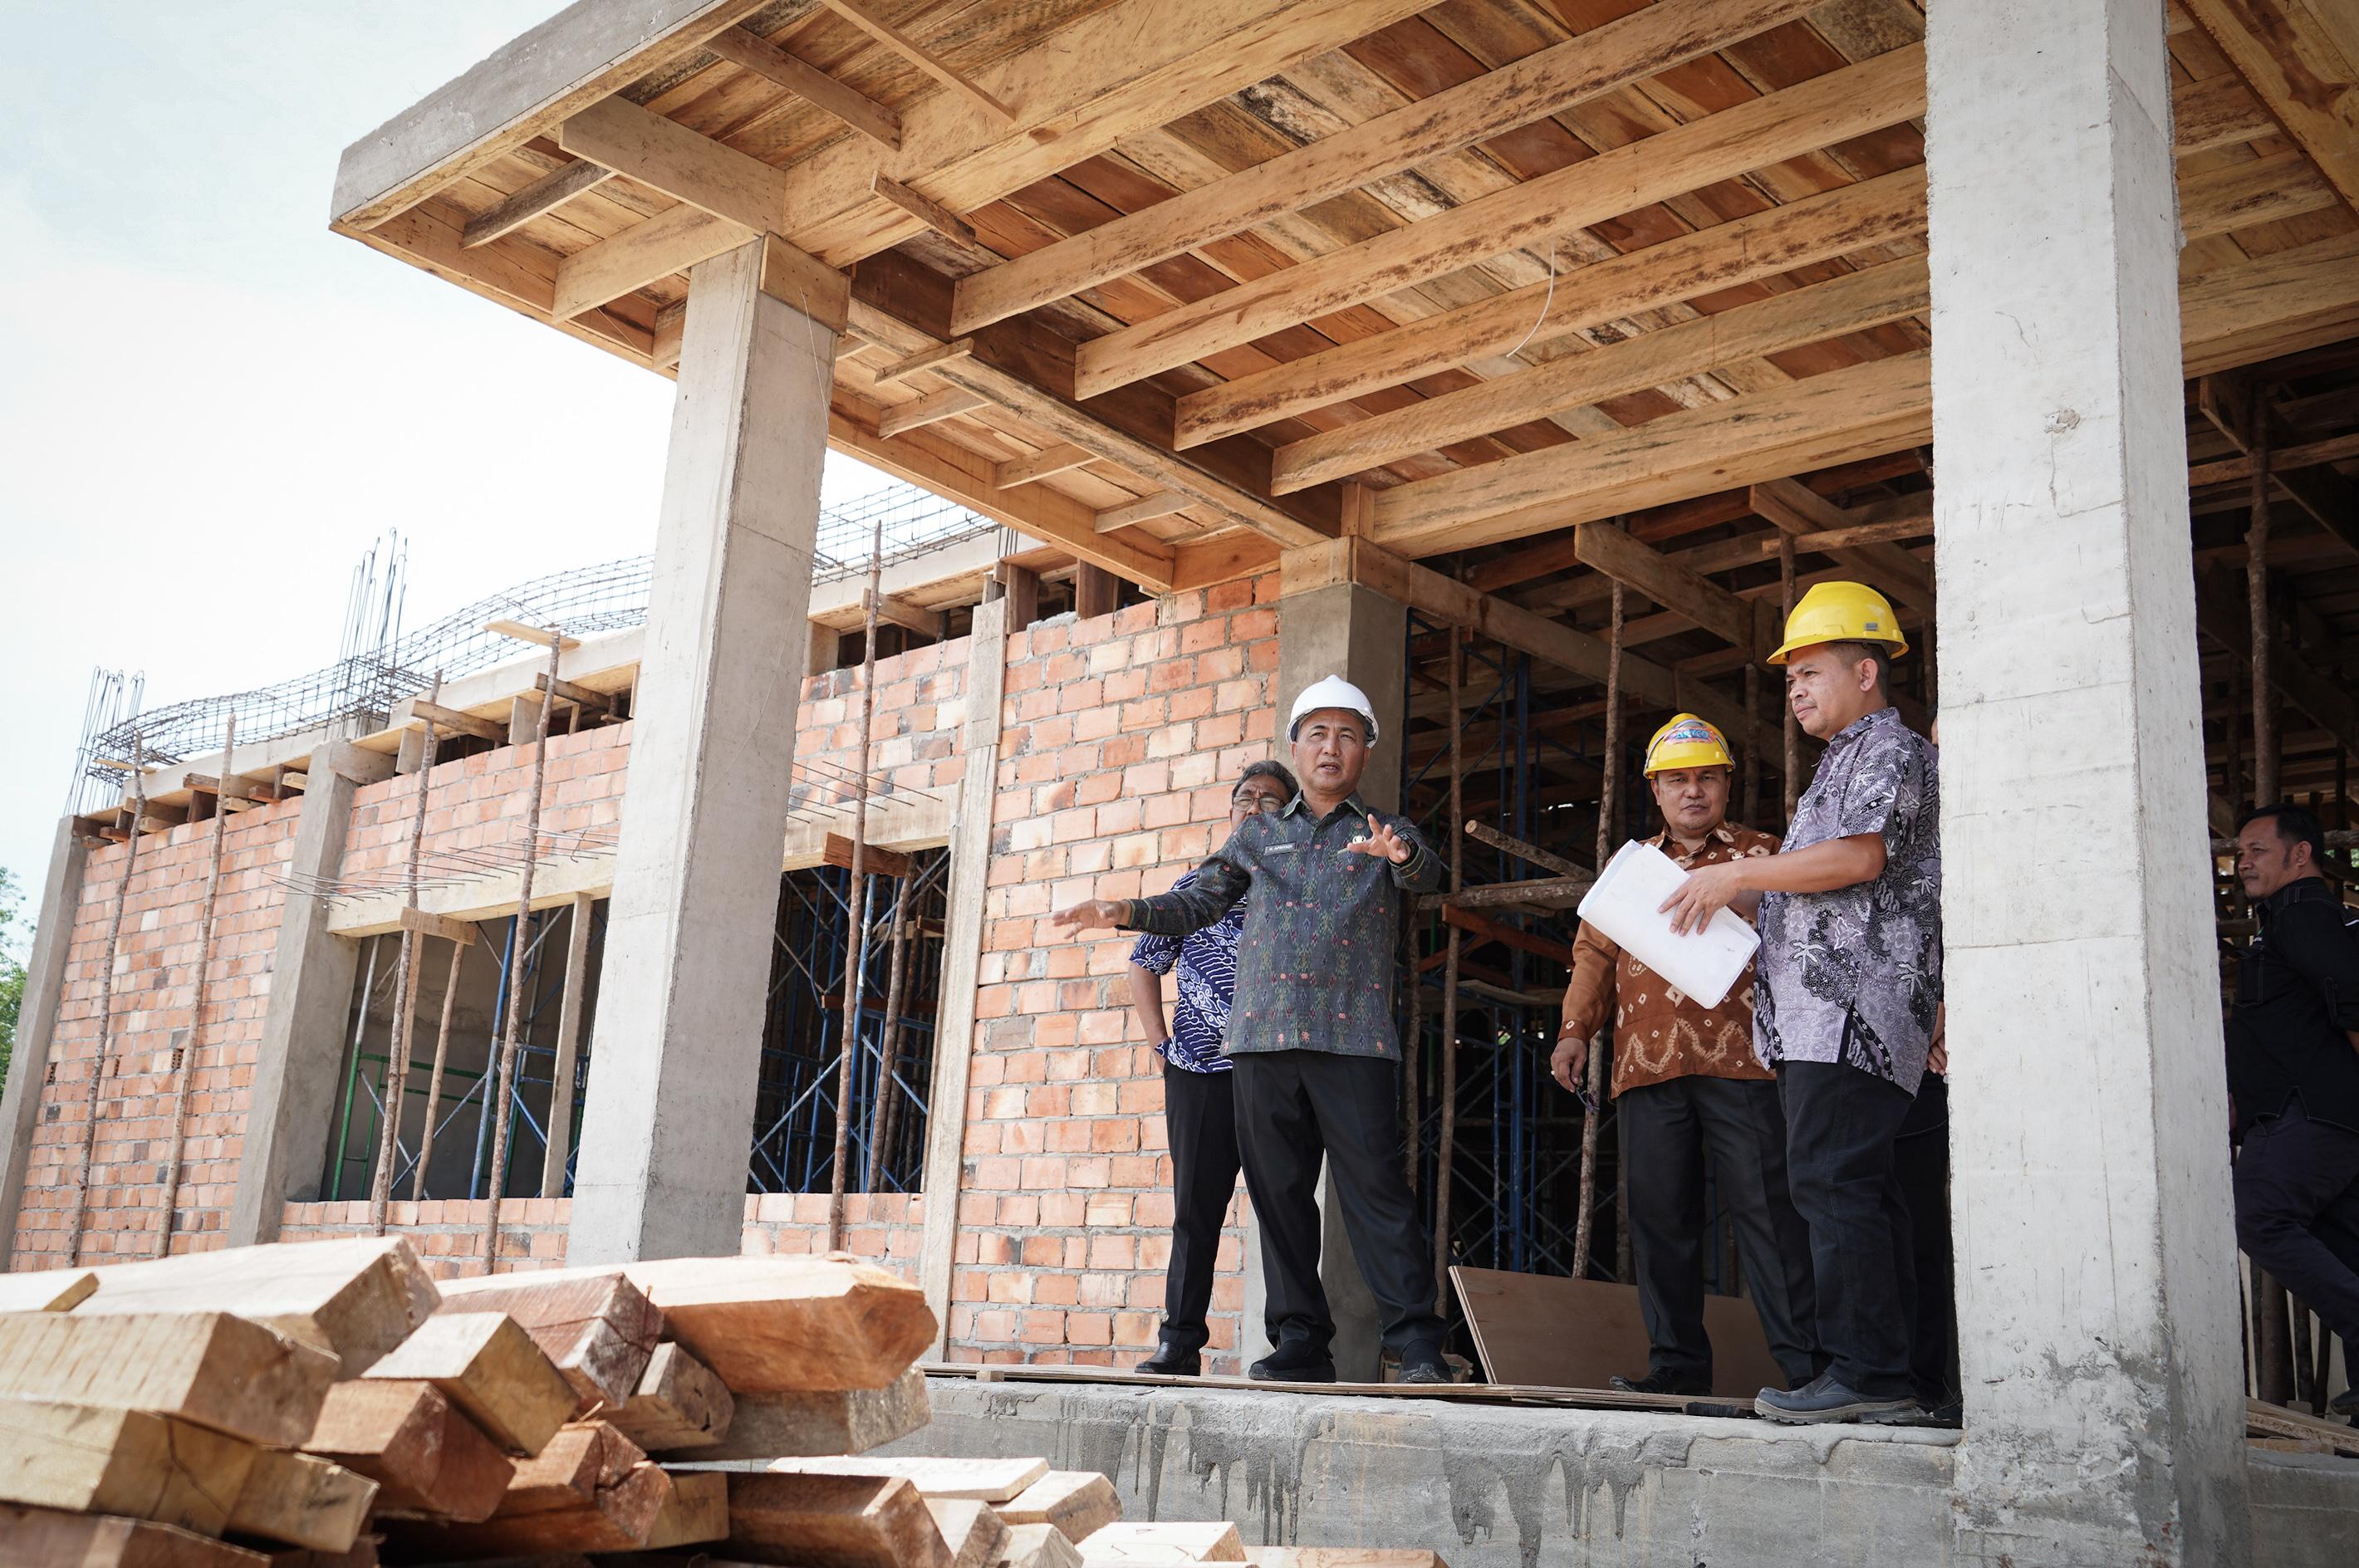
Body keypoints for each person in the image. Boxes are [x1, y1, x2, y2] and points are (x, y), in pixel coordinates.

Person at [1055, 674, 1452, 1384]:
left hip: (1353, 1040)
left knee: (1376, 1193)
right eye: (1318, 734)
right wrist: (1124, 909)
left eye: (1349, 735)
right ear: (1297, 748)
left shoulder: (1386, 831)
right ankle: (1302, 1341)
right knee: (1280, 1199)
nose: (1333, 749)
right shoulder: (1259, 836)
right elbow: (1196, 903)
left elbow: (1431, 877)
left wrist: (1404, 860)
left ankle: (1417, 1346)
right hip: (1261, 1044)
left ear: (1366, 751)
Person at [1660, 581, 1941, 1424]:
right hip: (1826, 1013)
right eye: (1788, 679)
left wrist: (1740, 871)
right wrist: (1743, 897)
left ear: (1865, 670)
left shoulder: (1884, 751)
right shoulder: (1839, 763)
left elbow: (1857, 860)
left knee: (1827, 1180)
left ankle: (1863, 1371)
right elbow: (1825, 882)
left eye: (1809, 672)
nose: (1795, 690)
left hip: (1849, 1007)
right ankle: (1897, 1372)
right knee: (1862, 1186)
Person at [1552, 713, 1820, 1396]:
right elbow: (1594, 950)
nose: (1692, 791)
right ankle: (1675, 1369)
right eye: (1678, 780)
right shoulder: (1631, 868)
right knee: (1661, 1221)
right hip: (1647, 1067)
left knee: (1770, 1216)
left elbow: (1817, 934)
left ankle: (1810, 1370)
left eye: (1706, 777)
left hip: (1747, 1062)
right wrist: (1575, 1029)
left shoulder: (1768, 855)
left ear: (1726, 784)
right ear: (1656, 790)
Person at [1126, 759, 1298, 1377]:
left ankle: (1292, 1344)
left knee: (1282, 1209)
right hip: (1197, 1070)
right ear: (1230, 810)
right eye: (1245, 797)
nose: (1254, 808)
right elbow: (1145, 962)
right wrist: (1160, 1046)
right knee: (1195, 1209)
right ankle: (1178, 1343)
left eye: (1271, 801)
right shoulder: (1196, 885)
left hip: (1273, 1075)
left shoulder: (1294, 889)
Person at [2229, 802, 2359, 1417]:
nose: (2242, 860)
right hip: (2321, 1119)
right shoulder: (2283, 921)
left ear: (2299, 854)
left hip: (2303, 1116)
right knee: (2346, 1252)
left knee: (2259, 1216)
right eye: (2240, 850)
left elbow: (2353, 994)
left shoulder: (2304, 913)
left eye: (2257, 850)